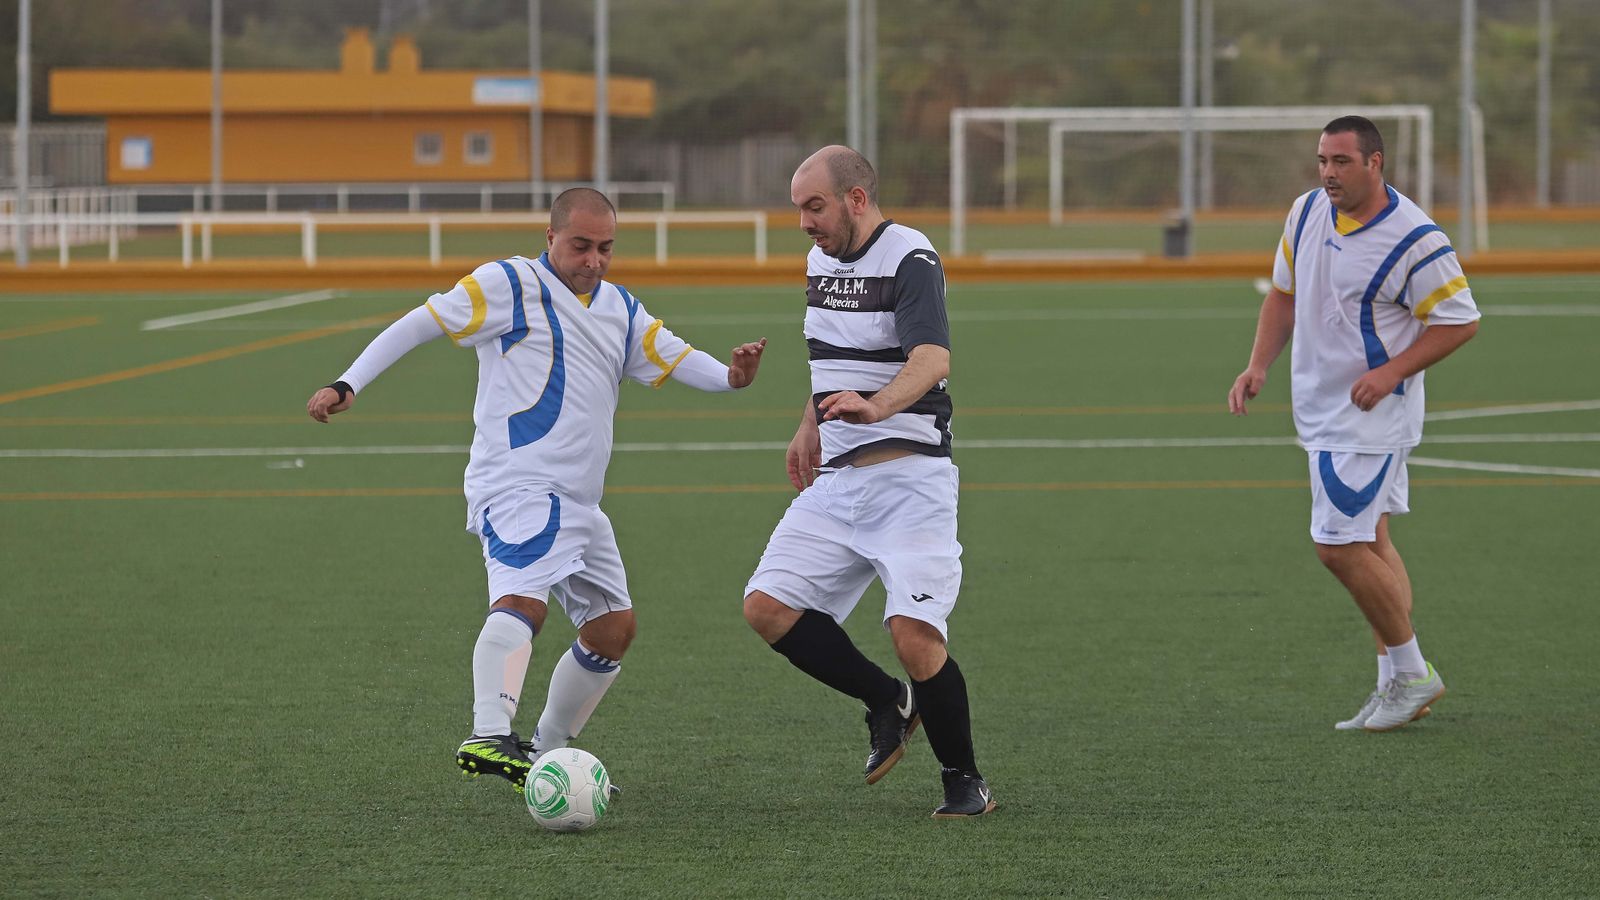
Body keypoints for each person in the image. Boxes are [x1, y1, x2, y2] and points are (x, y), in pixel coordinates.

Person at [306, 188, 767, 789]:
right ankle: (488, 731)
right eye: (580, 245)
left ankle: (544, 755)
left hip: (579, 502)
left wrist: (732, 377)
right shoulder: (509, 283)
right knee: (524, 600)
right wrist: (349, 382)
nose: (594, 260)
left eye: (605, 248)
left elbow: (672, 355)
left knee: (612, 628)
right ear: (549, 238)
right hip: (521, 483)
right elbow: (422, 322)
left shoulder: (620, 308)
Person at [742, 145, 995, 818]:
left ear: (856, 199)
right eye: (798, 208)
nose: (804, 222)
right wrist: (809, 422)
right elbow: (829, 356)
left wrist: (878, 406)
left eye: (814, 206)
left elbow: (932, 357)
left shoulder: (910, 258)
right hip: (838, 481)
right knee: (767, 606)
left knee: (914, 632)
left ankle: (963, 780)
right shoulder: (819, 261)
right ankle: (886, 699)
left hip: (912, 481)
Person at [1228, 115, 1480, 732]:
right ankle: (1396, 681)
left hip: (1369, 419)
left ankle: (1414, 671)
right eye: (1322, 160)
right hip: (1321, 409)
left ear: (1375, 163)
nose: (1328, 173)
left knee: (1337, 546)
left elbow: (1460, 319)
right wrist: (1259, 364)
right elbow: (1283, 293)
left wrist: (1393, 372)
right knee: (1371, 543)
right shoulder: (1307, 210)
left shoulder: (1414, 237)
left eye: (1341, 162)